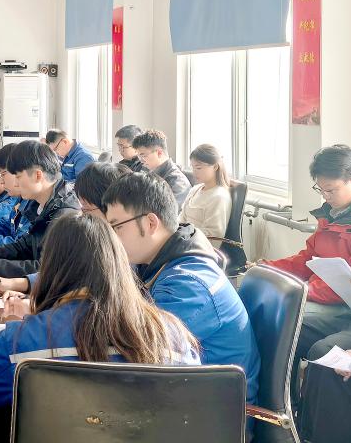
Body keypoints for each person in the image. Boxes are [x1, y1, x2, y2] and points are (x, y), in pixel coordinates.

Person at [0, 212, 200, 409]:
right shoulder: (171, 333)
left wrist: (16, 327)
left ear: (52, 266)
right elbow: (191, 400)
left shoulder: (25, 338)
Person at [105, 170, 260, 405]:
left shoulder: (187, 286)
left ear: (150, 223)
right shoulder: (160, 262)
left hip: (214, 410)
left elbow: (139, 353)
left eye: (116, 227)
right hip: (187, 395)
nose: (112, 239)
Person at [262, 144, 351, 402]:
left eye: (331, 190)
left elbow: (348, 285)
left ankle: (283, 403)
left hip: (343, 305)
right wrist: (268, 267)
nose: (325, 196)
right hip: (318, 295)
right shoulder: (331, 216)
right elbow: (307, 260)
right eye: (321, 189)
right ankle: (278, 400)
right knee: (272, 316)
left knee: (287, 320)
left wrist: (303, 290)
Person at [0, 161, 121, 298]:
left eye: (86, 209)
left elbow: (80, 294)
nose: (82, 215)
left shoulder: (67, 216)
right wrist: (21, 286)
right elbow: (66, 277)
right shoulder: (39, 207)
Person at [0, 140, 80, 278]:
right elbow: (23, 247)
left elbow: (45, 268)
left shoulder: (65, 214)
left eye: (18, 177)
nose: (14, 183)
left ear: (38, 175)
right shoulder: (39, 204)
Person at [181, 144, 233, 246]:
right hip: (183, 241)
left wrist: (183, 235)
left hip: (198, 248)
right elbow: (182, 217)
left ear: (215, 167)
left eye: (198, 168)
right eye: (192, 167)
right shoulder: (195, 190)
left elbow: (214, 236)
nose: (194, 172)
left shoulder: (219, 196)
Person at [132, 129, 191, 207]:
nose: (141, 161)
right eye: (139, 157)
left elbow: (171, 212)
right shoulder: (148, 173)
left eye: (143, 156)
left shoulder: (177, 182)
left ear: (159, 153)